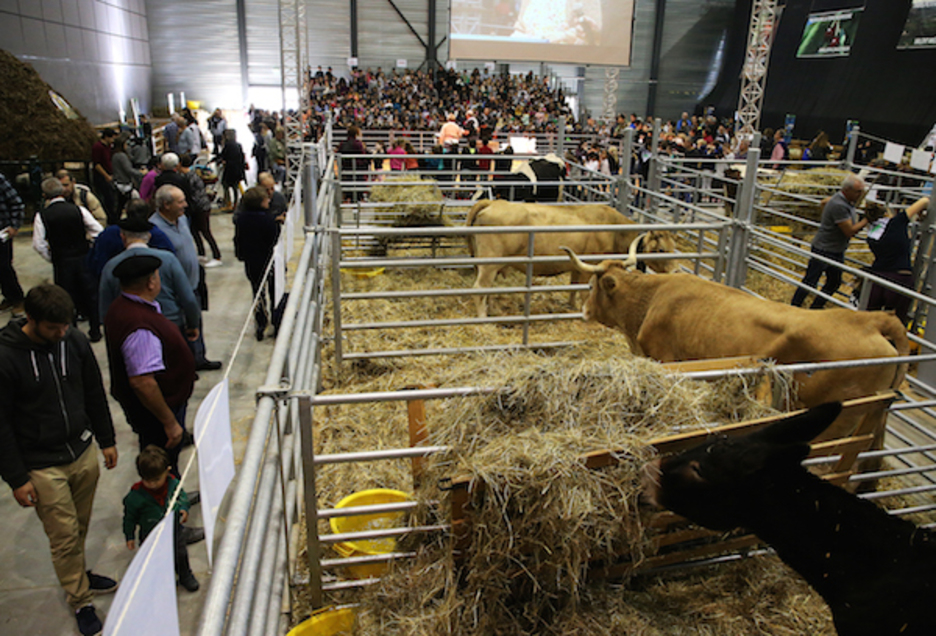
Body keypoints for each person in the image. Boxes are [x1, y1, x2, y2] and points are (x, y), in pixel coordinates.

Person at [0, 283, 118, 636]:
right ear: (32, 321)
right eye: (54, 328)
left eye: (65, 326)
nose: (61, 333)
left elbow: (94, 390)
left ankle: (78, 573)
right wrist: (17, 478)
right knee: (63, 535)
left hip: (81, 450)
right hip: (41, 463)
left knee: (79, 526)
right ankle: (80, 600)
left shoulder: (74, 340)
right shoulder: (6, 358)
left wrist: (107, 439)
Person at [150, 185, 222, 371]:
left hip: (194, 282)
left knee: (195, 321)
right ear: (166, 205)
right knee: (180, 328)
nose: (185, 205)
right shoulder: (155, 229)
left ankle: (199, 358)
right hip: (175, 288)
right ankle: (186, 364)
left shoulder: (182, 219)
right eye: (180, 201)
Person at [98, 216, 200, 346]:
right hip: (169, 324)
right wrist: (192, 324)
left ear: (123, 237)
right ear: (149, 236)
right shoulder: (168, 259)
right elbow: (188, 298)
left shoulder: (111, 266)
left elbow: (105, 308)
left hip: (130, 328)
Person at [33, 177, 104, 341]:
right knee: (90, 295)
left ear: (44, 195)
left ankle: (72, 333)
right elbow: (97, 230)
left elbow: (38, 244)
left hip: (62, 260)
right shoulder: (78, 210)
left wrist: (51, 257)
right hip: (82, 256)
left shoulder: (42, 215)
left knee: (66, 298)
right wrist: (89, 246)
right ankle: (95, 330)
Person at [123, 445, 199, 592]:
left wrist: (183, 508)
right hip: (150, 534)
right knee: (155, 560)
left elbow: (181, 496)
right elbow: (129, 518)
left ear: (167, 471)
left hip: (173, 530)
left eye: (157, 479)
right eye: (147, 480)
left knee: (180, 553)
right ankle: (162, 581)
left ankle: (185, 575)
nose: (152, 484)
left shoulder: (173, 484)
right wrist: (129, 536)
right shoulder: (134, 498)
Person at [791, 174, 869, 309]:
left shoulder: (842, 200)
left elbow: (824, 202)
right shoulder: (839, 205)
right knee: (811, 280)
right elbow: (849, 231)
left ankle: (815, 308)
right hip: (825, 249)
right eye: (858, 191)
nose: (860, 194)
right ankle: (794, 306)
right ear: (847, 190)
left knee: (833, 282)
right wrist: (867, 220)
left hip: (834, 249)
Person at [863, 197, 930, 323]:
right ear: (887, 214)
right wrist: (923, 213)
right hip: (900, 279)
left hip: (877, 278)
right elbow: (925, 201)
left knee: (870, 321)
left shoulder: (871, 233)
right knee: (896, 323)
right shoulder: (897, 222)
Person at [87, 199, 176, 279]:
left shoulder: (108, 234)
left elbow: (95, 262)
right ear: (148, 213)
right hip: (151, 285)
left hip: (115, 283)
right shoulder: (157, 234)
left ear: (126, 211)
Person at [234, 186, 280, 341]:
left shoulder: (241, 219)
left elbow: (238, 239)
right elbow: (274, 239)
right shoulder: (268, 220)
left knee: (257, 292)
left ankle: (260, 324)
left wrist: (241, 255)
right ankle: (277, 322)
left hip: (252, 261)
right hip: (269, 260)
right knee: (275, 292)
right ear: (261, 202)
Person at [179, 154, 222, 267]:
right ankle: (201, 253)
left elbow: (190, 194)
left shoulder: (188, 177)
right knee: (194, 230)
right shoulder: (190, 175)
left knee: (205, 231)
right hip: (197, 207)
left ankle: (217, 256)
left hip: (200, 207)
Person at [0, 172, 25, 314]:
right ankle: (8, 296)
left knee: (4, 266)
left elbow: (16, 202)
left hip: (2, 231)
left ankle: (17, 297)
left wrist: (15, 225)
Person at [112, 133, 142, 218]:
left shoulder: (115, 155)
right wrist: (141, 173)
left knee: (120, 206)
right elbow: (128, 170)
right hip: (124, 183)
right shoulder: (122, 156)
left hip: (118, 182)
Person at [91, 128, 118, 224]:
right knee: (107, 198)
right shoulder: (98, 147)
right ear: (106, 137)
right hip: (101, 176)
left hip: (109, 174)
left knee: (111, 198)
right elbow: (97, 164)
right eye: (112, 138)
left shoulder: (108, 147)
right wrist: (106, 175)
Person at [218, 129, 247, 211]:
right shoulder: (238, 145)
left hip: (230, 169)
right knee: (235, 187)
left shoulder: (227, 145)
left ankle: (228, 203)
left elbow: (223, 156)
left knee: (225, 185)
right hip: (238, 169)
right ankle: (235, 203)